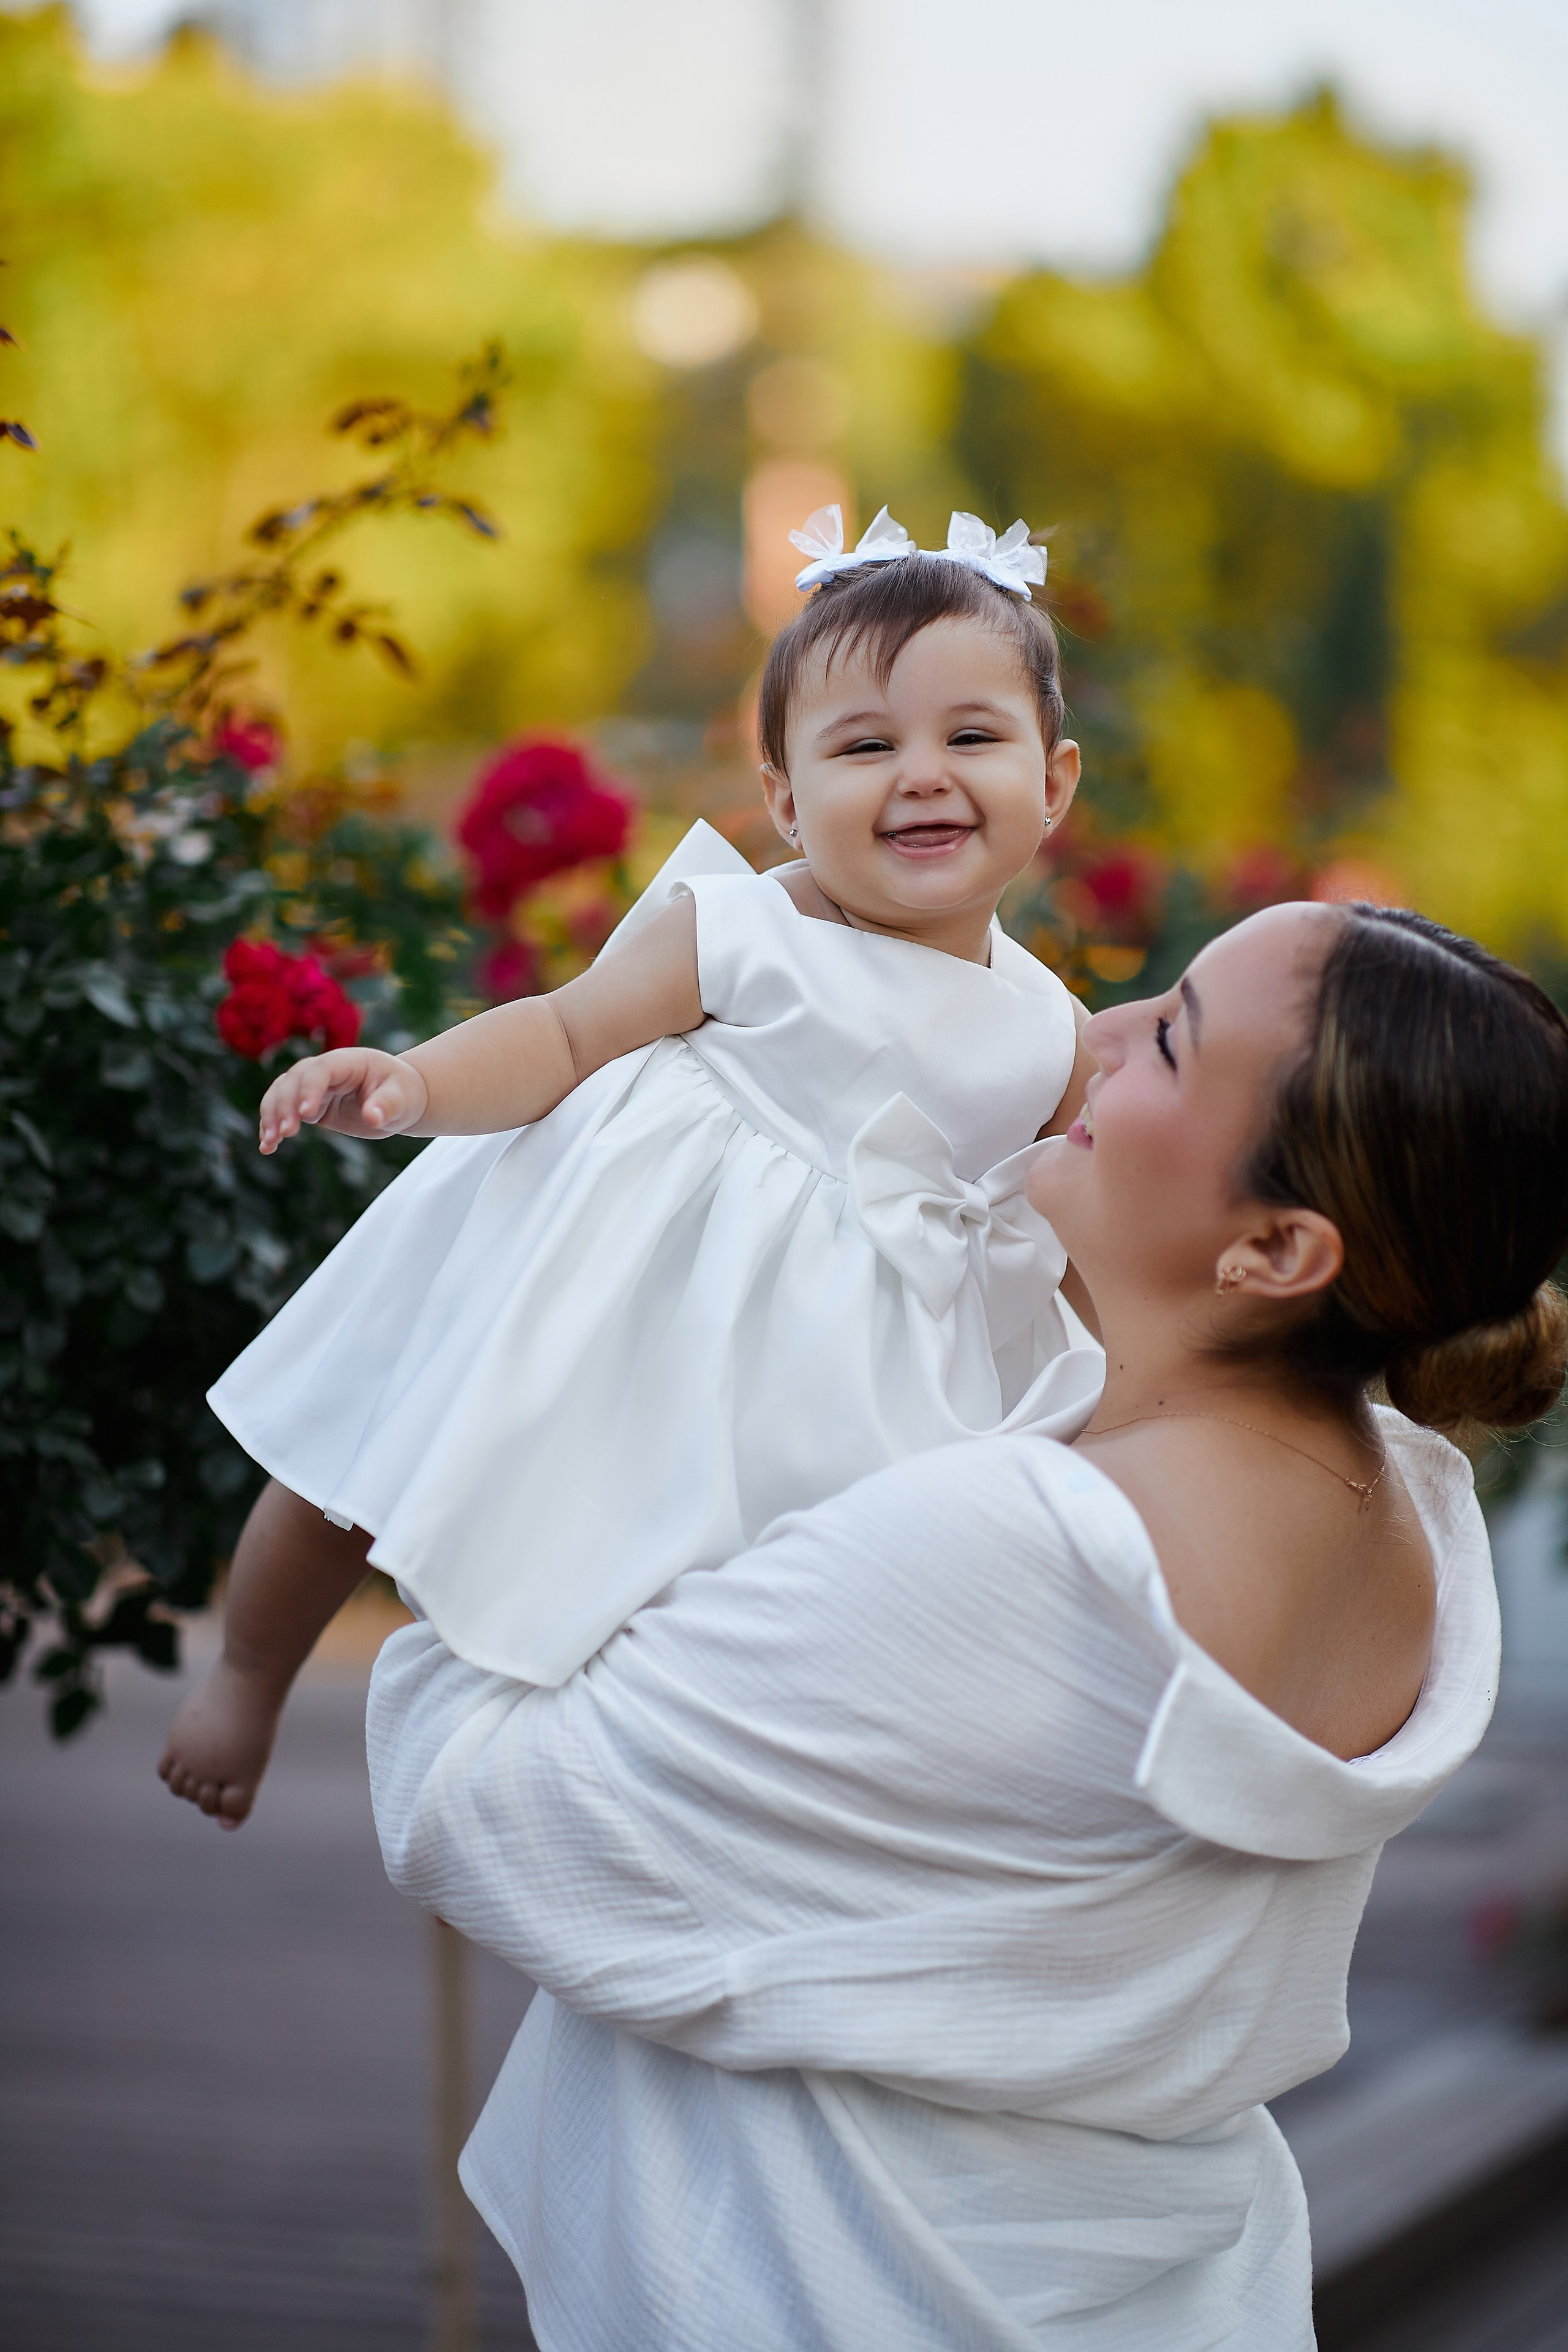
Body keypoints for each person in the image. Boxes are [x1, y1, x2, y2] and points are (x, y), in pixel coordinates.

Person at [367, 898, 1568, 2351]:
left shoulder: (1023, 1553)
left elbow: (477, 1802)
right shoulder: (1408, 1524)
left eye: (1172, 1040)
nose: (1099, 1032)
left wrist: (522, 1420)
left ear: (1272, 1249)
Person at [159, 507, 1104, 1828]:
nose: (921, 775)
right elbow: (559, 1032)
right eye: (864, 746)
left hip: (815, 1363)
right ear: (782, 795)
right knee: (368, 1449)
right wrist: (414, 1083)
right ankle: (250, 1674)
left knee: (753, 1593)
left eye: (970, 737)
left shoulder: (1048, 1030)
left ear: (1052, 782)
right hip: (608, 1255)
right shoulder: (740, 928)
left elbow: (1066, 1226)